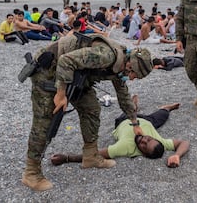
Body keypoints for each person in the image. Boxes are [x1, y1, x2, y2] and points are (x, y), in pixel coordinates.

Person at [21, 34, 154, 191]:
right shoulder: (106, 56)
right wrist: (61, 94)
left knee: (91, 108)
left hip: (77, 75)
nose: (132, 79)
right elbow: (65, 61)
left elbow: (123, 95)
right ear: (130, 66)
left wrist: (134, 122)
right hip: (49, 70)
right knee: (45, 121)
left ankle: (90, 156)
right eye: (134, 75)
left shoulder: (120, 65)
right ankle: (31, 172)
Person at [50, 97, 189, 168]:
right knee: (163, 114)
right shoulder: (161, 143)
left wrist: (66, 158)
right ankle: (165, 108)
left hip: (124, 121)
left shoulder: (126, 148)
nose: (143, 139)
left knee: (129, 112)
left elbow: (94, 154)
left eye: (144, 145)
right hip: (149, 122)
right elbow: (184, 142)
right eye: (149, 139)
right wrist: (177, 155)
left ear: (143, 154)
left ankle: (133, 107)